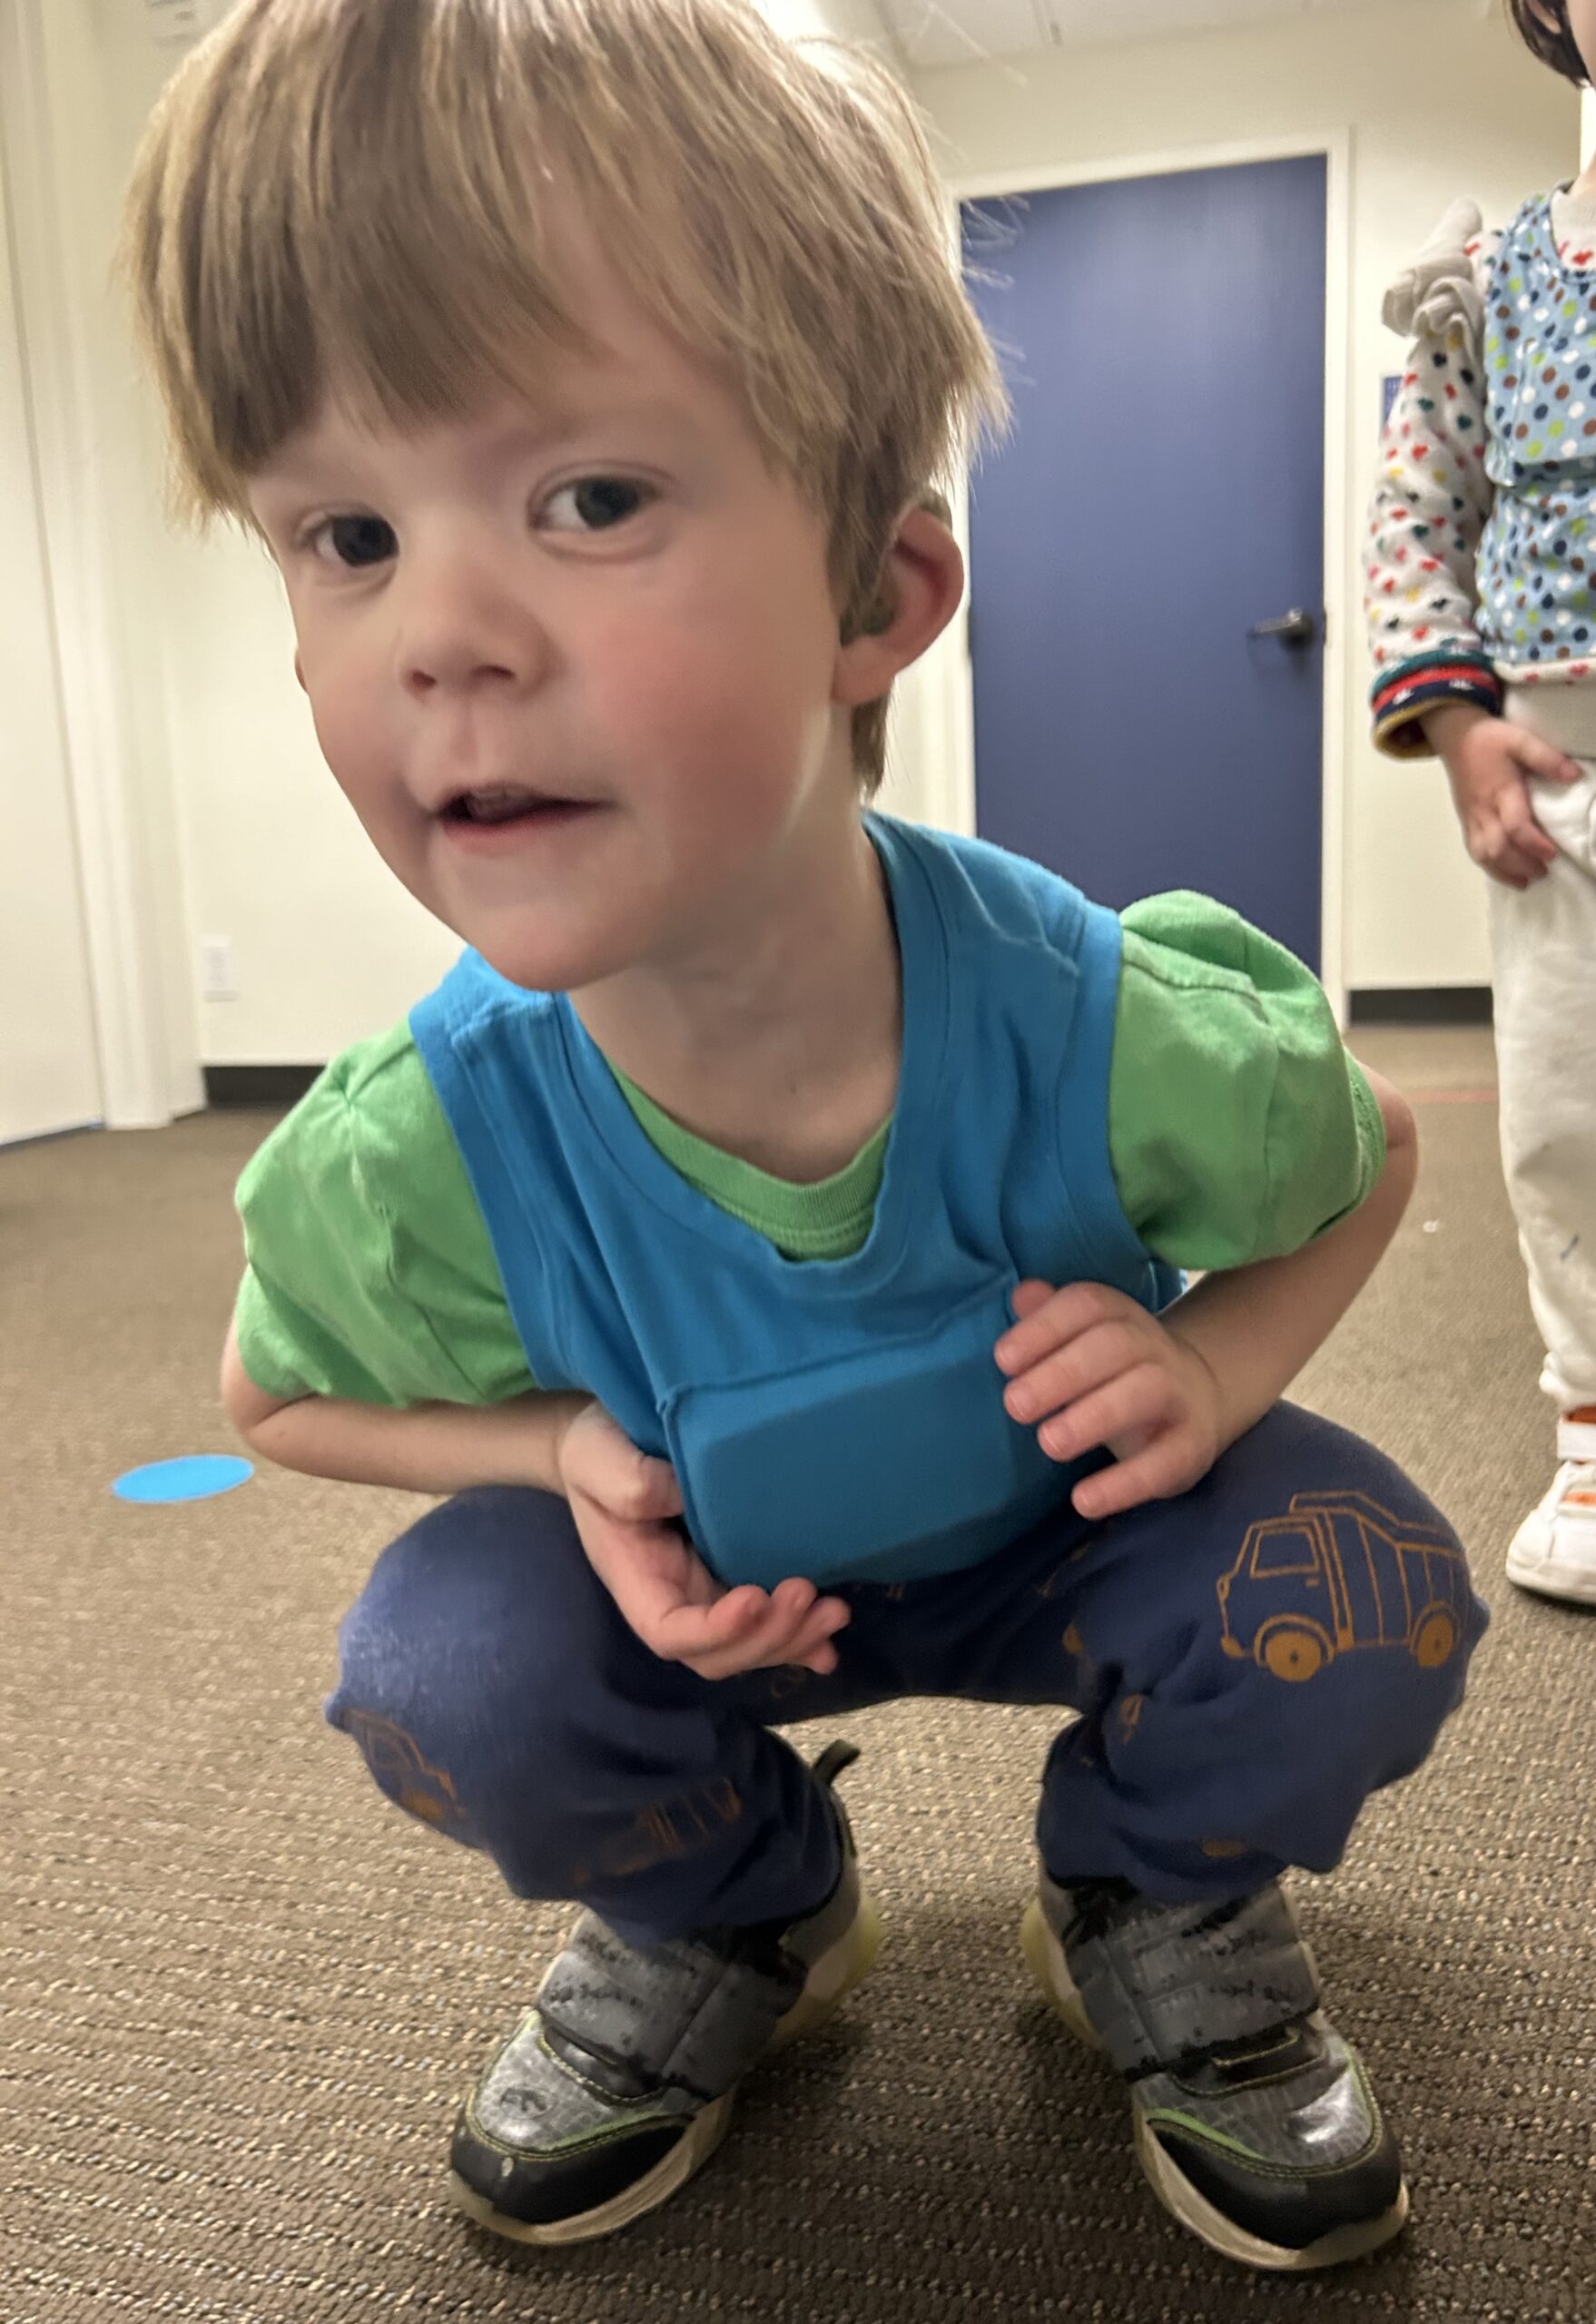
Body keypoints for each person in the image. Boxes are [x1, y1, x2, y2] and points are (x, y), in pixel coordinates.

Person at [124, 0, 1483, 2273]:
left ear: (881, 596)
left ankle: (1152, 1894)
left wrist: (1222, 1373)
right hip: (717, 1611)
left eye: (589, 498)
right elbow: (267, 1394)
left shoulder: (1099, 1016)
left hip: (1073, 1542)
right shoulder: (427, 1141)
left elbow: (1375, 1153)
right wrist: (557, 1443)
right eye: (345, 530)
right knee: (447, 1655)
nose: (443, 632)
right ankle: (734, 1914)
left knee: (1370, 1584)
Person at [1366, 0, 1596, 1611]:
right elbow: (1421, 510)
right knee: (1571, 1119)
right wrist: (1454, 724)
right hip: (1552, 776)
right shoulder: (1492, 277)